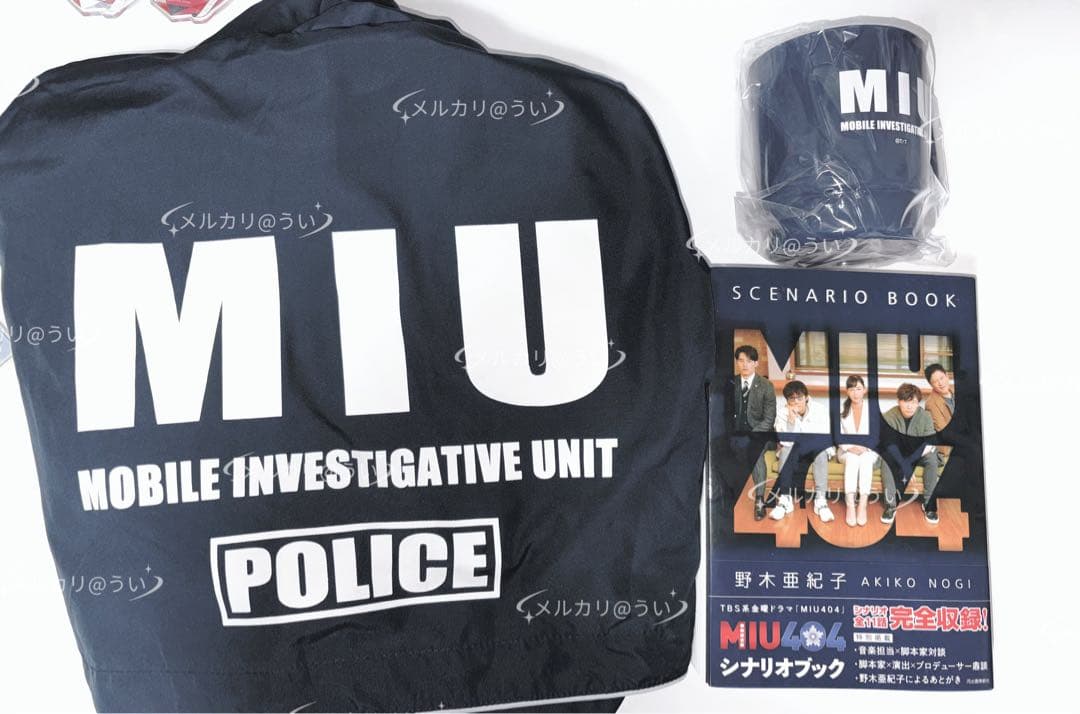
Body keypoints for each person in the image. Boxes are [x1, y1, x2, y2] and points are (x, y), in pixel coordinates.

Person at [769, 380, 834, 522]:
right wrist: (791, 421)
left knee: (821, 452)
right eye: (792, 399)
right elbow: (785, 441)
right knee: (786, 450)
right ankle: (785, 500)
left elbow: (823, 436)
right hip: (794, 449)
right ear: (787, 401)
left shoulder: (820, 410)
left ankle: (821, 501)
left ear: (806, 397)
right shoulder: (782, 413)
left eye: (799, 398)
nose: (796, 402)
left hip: (816, 447)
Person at [880, 383, 940, 525]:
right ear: (898, 401)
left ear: (918, 403)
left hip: (919, 453)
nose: (909, 406)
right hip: (897, 454)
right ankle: (890, 506)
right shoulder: (889, 416)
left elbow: (928, 444)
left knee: (932, 459)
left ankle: (929, 504)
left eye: (913, 402)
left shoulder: (925, 416)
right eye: (906, 401)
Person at [732, 345, 776, 520]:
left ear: (756, 363)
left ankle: (759, 500)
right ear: (737, 362)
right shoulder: (731, 383)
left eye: (749, 361)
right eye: (741, 360)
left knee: (755, 453)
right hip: (735, 432)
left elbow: (769, 419)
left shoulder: (766, 386)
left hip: (760, 433)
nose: (745, 365)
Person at [837, 375, 878, 526]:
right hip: (846, 451)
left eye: (859, 389)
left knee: (865, 459)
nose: (855, 393)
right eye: (852, 389)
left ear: (864, 390)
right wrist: (850, 448)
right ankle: (850, 506)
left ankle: (862, 505)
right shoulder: (840, 409)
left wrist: (865, 447)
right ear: (847, 391)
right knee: (853, 459)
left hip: (868, 450)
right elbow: (837, 435)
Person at [923, 363, 954, 458]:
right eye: (935, 381)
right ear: (931, 385)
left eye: (942, 378)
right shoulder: (931, 404)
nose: (941, 383)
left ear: (947, 376)